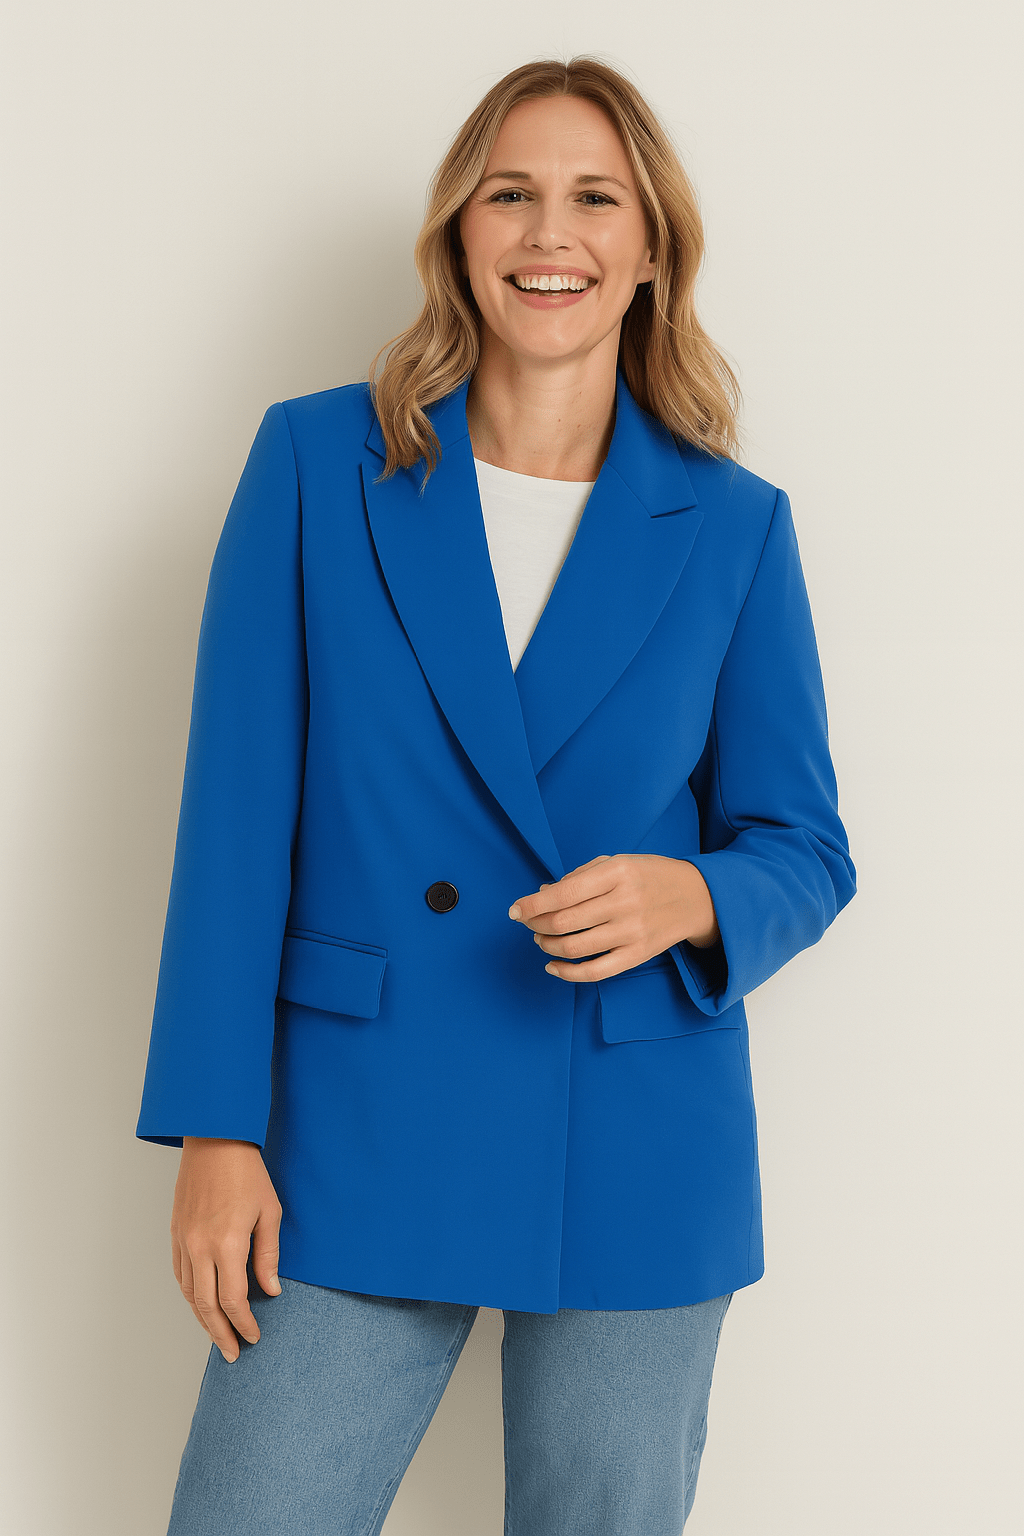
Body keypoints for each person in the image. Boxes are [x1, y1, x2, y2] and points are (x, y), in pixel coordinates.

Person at [136, 55, 856, 1536]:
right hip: (353, 1120)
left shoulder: (731, 525)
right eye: (510, 193)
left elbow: (804, 844)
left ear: (651, 250)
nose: (550, 233)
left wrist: (693, 894)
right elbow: (233, 824)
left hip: (633, 1125)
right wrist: (215, 1129)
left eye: (597, 199)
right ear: (458, 232)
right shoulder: (316, 463)